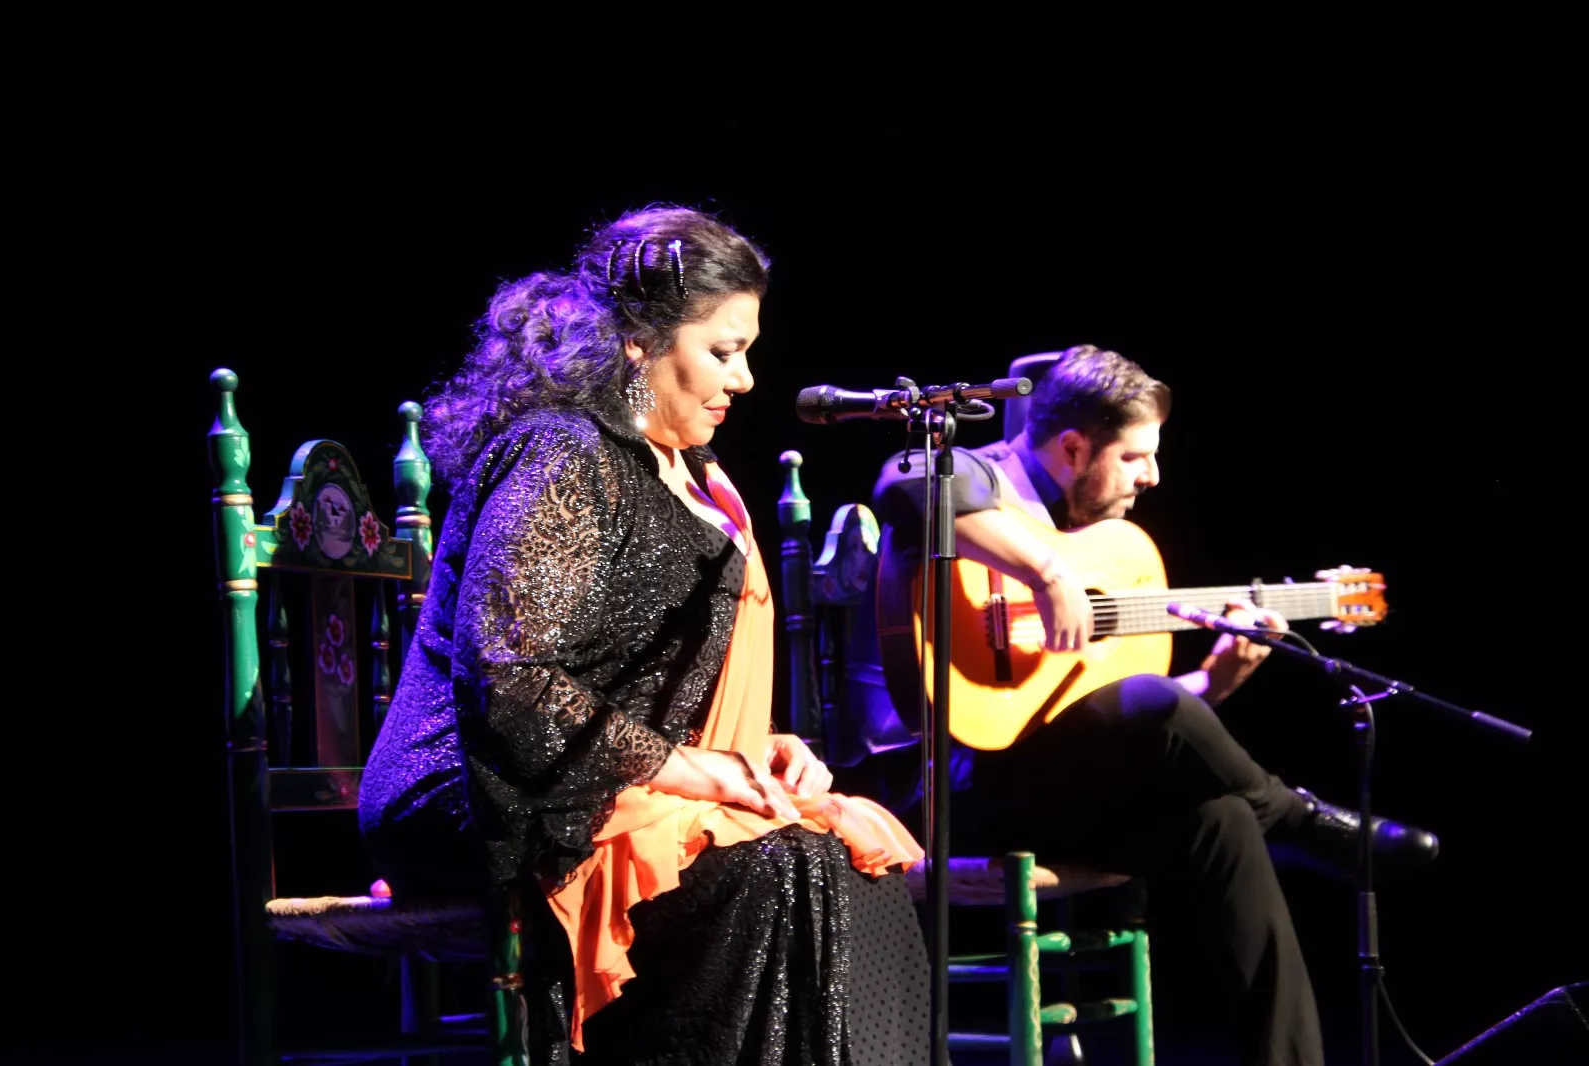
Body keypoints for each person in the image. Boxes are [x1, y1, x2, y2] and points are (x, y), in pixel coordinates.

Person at [359, 205, 929, 1065]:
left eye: (747, 352)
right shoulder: (561, 453)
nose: (745, 379)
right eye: (723, 351)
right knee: (777, 869)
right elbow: (510, 678)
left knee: (845, 853)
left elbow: (651, 679)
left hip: (609, 774)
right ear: (637, 342)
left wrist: (758, 750)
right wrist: (697, 769)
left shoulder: (695, 473)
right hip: (481, 786)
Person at [863, 344, 1441, 1066]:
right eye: (1134, 457)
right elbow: (906, 484)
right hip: (954, 792)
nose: (1152, 476)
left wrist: (1216, 684)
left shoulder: (1097, 542)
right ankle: (1295, 819)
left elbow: (1099, 712)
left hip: (1060, 794)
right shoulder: (984, 475)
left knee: (1222, 816)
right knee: (1157, 705)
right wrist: (1048, 575)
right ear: (1073, 447)